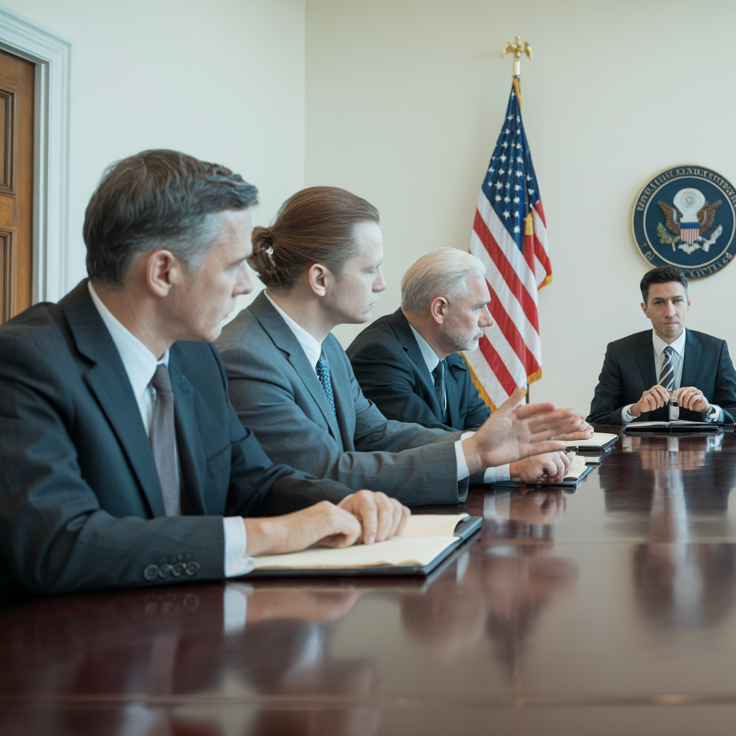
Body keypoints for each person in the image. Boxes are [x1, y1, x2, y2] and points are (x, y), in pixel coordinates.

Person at [0, 150, 409, 594]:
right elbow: (58, 544)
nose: (247, 285)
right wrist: (268, 534)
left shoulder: (198, 357)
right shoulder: (25, 361)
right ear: (163, 271)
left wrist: (344, 503)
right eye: (233, 266)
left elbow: (254, 481)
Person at [216, 188, 584, 503]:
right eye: (369, 270)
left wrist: (493, 450)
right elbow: (325, 472)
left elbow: (378, 435)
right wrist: (474, 453)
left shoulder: (327, 348)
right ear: (320, 279)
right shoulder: (247, 358)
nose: (381, 283)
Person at [346, 248, 590, 453]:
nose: (488, 320)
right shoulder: (380, 356)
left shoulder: (451, 357)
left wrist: (545, 434)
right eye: (478, 308)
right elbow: (426, 443)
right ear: (439, 310)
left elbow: (483, 429)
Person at [587, 266, 736, 425]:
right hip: (639, 442)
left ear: (688, 305)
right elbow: (597, 418)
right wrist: (633, 410)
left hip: (700, 441)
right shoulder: (619, 352)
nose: (670, 312)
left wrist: (710, 410)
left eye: (677, 301)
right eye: (659, 302)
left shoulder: (715, 350)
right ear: (645, 309)